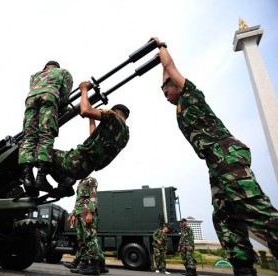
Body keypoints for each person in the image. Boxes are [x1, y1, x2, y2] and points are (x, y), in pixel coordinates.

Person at [153, 36, 278, 276]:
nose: (164, 94)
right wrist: (160, 67)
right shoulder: (179, 108)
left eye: (166, 89)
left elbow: (170, 69)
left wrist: (162, 46)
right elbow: (165, 75)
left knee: (252, 208)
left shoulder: (191, 93)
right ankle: (243, 268)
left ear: (177, 86)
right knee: (225, 217)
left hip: (226, 154)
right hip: (215, 162)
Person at [49, 81, 130, 196]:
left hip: (76, 161)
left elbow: (85, 110)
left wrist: (84, 90)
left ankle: (60, 180)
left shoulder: (112, 116)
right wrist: (92, 118)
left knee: (43, 151)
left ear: (115, 111)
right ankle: (64, 185)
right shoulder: (125, 135)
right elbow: (96, 137)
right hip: (84, 171)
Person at [18, 61, 73, 197]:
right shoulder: (63, 73)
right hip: (49, 96)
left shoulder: (35, 75)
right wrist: (63, 110)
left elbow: (32, 88)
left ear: (45, 67)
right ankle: (41, 177)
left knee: (29, 136)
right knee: (45, 135)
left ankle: (28, 178)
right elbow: (65, 95)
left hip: (30, 99)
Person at [63, 176, 108, 275]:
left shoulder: (91, 180)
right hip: (79, 213)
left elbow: (93, 197)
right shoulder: (80, 183)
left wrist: (90, 212)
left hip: (86, 212)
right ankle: (82, 265)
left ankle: (94, 266)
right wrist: (72, 214)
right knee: (82, 240)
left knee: (90, 238)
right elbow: (78, 201)